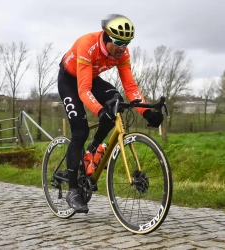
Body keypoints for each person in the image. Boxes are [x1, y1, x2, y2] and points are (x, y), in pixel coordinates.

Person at [58, 14, 164, 213]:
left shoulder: (123, 54)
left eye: (127, 43)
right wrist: (98, 110)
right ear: (105, 37)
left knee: (115, 102)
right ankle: (72, 190)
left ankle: (92, 150)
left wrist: (147, 112)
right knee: (80, 130)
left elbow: (130, 87)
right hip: (70, 81)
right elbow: (83, 90)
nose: (122, 48)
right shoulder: (87, 45)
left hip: (91, 77)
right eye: (118, 42)